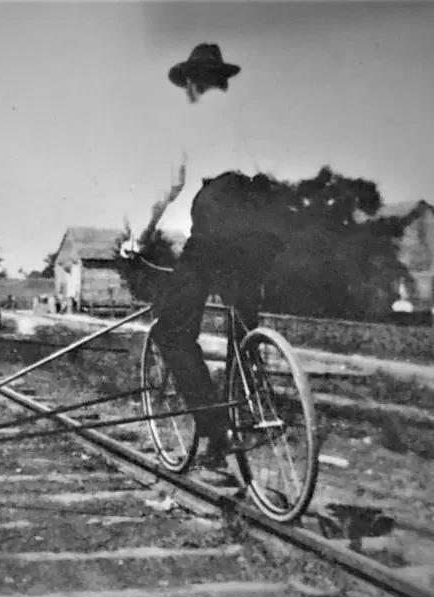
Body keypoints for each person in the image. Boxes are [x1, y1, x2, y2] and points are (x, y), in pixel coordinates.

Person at [122, 44, 296, 470]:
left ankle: (219, 428)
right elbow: (274, 172)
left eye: (187, 86)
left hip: (218, 211)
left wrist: (140, 239)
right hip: (263, 215)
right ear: (223, 80)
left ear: (193, 83)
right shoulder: (248, 115)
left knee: (173, 331)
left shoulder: (190, 117)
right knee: (242, 326)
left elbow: (169, 185)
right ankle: (252, 409)